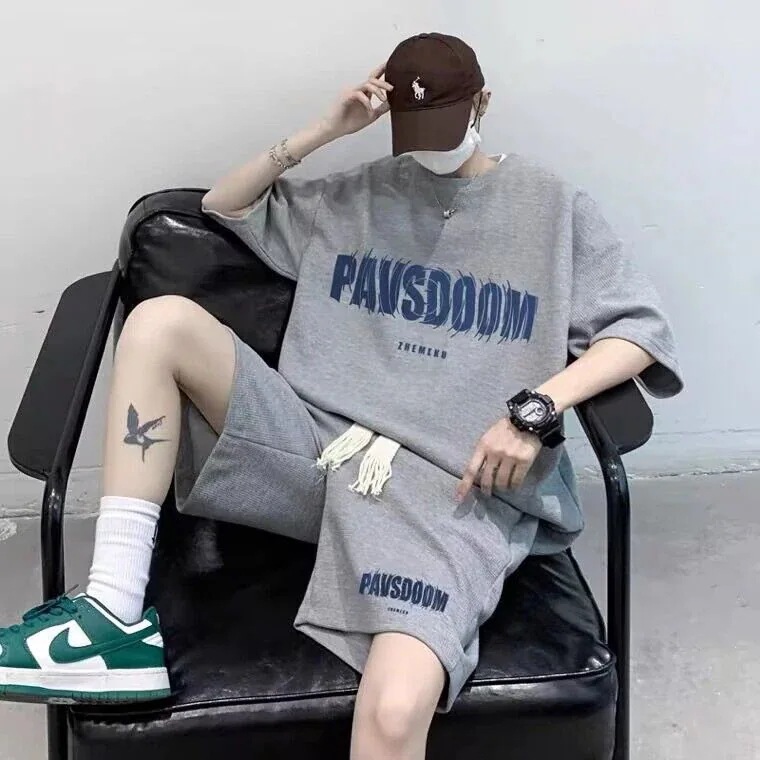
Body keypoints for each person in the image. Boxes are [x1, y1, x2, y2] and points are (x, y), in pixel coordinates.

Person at [0, 33, 682, 760]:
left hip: (444, 492)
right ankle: (111, 612)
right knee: (159, 321)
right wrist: (324, 131)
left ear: (483, 103)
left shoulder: (551, 208)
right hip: (315, 452)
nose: (428, 149)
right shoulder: (356, 194)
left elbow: (639, 331)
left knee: (394, 710)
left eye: (444, 125)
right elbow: (224, 204)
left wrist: (535, 410)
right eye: (413, 131)